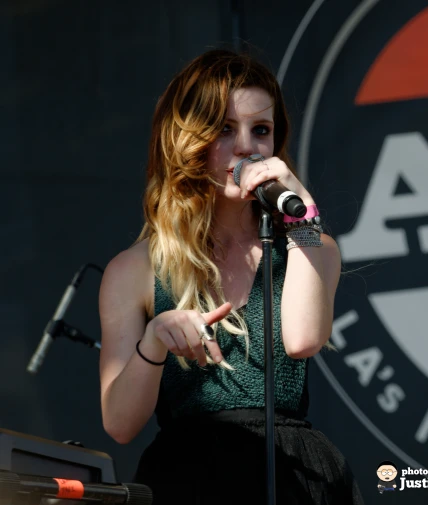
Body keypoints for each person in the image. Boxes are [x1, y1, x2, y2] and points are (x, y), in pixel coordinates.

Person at [98, 48, 364, 504]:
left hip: (295, 477)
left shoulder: (310, 243)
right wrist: (156, 340)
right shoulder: (136, 267)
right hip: (189, 479)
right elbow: (120, 424)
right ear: (187, 140)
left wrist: (303, 219)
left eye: (261, 130)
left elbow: (302, 340)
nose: (246, 146)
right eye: (224, 128)